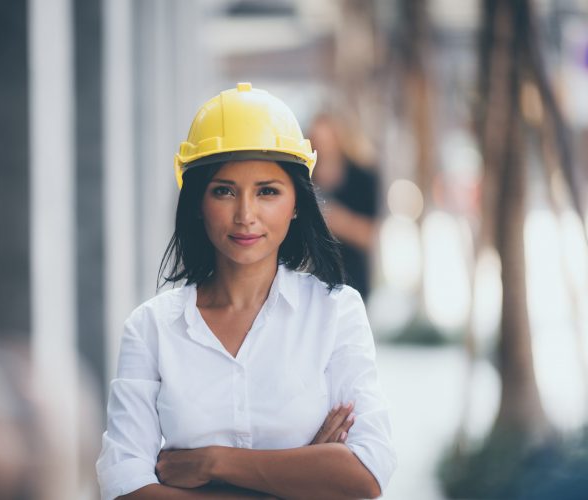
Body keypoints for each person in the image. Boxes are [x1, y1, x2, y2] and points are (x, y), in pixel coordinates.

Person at [96, 83, 396, 499]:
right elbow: (124, 484)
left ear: (296, 204)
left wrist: (214, 463)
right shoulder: (151, 328)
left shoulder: (336, 312)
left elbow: (366, 474)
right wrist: (302, 476)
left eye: (267, 191)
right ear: (198, 202)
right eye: (224, 190)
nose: (245, 215)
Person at [308, 114, 381, 301]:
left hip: (353, 278)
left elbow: (370, 235)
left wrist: (336, 220)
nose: (322, 148)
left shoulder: (362, 177)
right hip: (313, 281)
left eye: (327, 141)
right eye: (317, 142)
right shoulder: (305, 178)